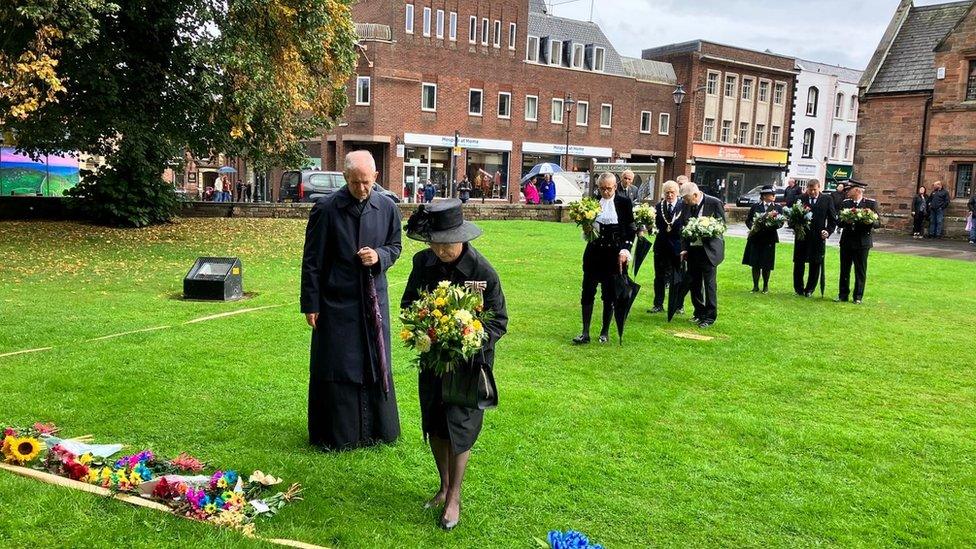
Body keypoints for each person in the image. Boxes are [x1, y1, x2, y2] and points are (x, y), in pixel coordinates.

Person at [401, 199, 508, 531]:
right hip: (433, 361)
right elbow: (408, 304)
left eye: (446, 243)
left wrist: (468, 340)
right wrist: (424, 327)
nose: (440, 250)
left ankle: (455, 497)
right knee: (435, 423)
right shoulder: (423, 262)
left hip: (467, 368)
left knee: (459, 427)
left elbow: (499, 321)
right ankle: (443, 485)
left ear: (462, 237)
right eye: (435, 242)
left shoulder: (483, 271)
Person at [300, 150, 403, 451]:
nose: (361, 189)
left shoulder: (387, 207)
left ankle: (378, 431)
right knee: (339, 362)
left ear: (376, 178)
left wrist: (379, 256)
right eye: (355, 182)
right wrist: (311, 303)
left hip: (374, 301)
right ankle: (338, 434)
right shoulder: (326, 208)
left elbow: (395, 246)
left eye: (367, 183)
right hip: (336, 302)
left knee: (375, 360)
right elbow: (312, 261)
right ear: (345, 178)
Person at [573, 172, 636, 344]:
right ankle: (585, 332)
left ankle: (604, 332)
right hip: (594, 252)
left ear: (615, 187)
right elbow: (587, 228)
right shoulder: (592, 203)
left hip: (614, 254)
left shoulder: (624, 203)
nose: (605, 192)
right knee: (587, 292)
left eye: (608, 188)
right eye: (602, 189)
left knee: (609, 295)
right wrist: (586, 230)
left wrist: (625, 250)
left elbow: (630, 230)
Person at [679, 182, 725, 328]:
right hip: (693, 250)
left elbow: (721, 225)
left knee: (709, 284)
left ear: (695, 195)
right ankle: (699, 312)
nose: (685, 202)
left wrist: (706, 229)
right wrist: (684, 248)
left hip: (709, 250)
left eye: (686, 199)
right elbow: (684, 228)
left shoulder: (714, 202)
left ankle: (710, 317)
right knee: (694, 282)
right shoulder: (687, 205)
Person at [837, 180, 879, 304]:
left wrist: (869, 221)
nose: (846, 192)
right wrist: (846, 221)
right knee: (844, 269)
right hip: (847, 241)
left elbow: (878, 223)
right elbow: (839, 222)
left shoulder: (870, 204)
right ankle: (843, 295)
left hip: (862, 242)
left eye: (848, 190)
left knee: (860, 270)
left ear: (856, 190)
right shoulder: (846, 204)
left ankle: (858, 297)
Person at [792, 179, 836, 297]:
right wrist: (796, 227)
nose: (811, 192)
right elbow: (792, 217)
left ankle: (810, 289)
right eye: (810, 189)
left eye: (814, 189)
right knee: (799, 263)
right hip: (802, 236)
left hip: (818, 236)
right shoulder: (800, 199)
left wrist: (827, 231)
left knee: (815, 263)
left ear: (819, 187)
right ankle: (798, 288)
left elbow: (832, 219)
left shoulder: (827, 199)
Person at [649, 180, 684, 314]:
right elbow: (653, 225)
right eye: (667, 192)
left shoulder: (683, 206)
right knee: (659, 277)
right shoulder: (658, 207)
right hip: (661, 247)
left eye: (672, 192)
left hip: (677, 247)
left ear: (677, 193)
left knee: (678, 277)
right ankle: (658, 304)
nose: (669, 195)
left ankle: (678, 305)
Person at [742, 185, 783, 293]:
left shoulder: (777, 208)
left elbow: (781, 222)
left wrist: (773, 224)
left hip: (769, 239)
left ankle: (765, 286)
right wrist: (753, 228)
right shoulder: (755, 206)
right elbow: (748, 220)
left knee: (767, 264)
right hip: (756, 238)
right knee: (755, 263)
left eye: (774, 194)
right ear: (764, 196)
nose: (774, 196)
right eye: (771, 194)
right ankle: (755, 286)